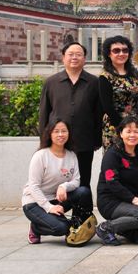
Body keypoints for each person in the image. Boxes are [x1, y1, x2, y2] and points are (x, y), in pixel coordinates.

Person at [39, 42, 101, 188]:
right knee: (57, 181)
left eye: (79, 54)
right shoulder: (51, 82)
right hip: (58, 141)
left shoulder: (94, 82)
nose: (74, 57)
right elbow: (44, 113)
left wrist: (96, 140)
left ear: (84, 59)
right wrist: (44, 139)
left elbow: (98, 113)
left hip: (84, 141)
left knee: (83, 181)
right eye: (70, 54)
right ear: (63, 57)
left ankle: (84, 204)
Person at [95, 116, 138, 246]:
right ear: (121, 133)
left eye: (136, 131)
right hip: (111, 201)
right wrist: (135, 200)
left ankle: (127, 230)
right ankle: (106, 227)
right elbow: (112, 183)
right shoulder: (112, 155)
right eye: (128, 131)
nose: (132, 135)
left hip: (133, 197)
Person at [22, 119, 93, 244]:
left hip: (56, 198)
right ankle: (36, 228)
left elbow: (76, 181)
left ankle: (78, 224)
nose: (61, 134)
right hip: (34, 203)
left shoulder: (71, 155)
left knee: (83, 192)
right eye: (56, 131)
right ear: (49, 134)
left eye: (64, 131)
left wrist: (64, 186)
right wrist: (49, 207)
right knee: (62, 228)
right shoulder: (41, 156)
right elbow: (33, 187)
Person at [99, 35, 138, 150]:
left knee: (134, 156)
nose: (121, 53)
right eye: (116, 50)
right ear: (109, 54)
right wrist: (123, 128)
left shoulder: (133, 72)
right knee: (116, 157)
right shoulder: (105, 76)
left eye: (125, 50)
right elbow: (107, 106)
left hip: (135, 125)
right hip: (115, 126)